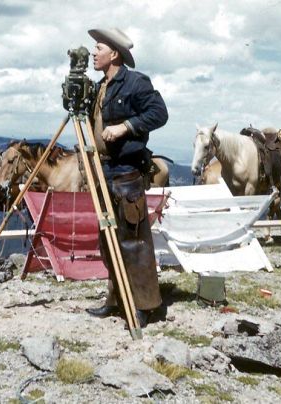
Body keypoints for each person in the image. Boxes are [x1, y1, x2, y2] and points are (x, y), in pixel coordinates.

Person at [85, 27, 168, 328]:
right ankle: (115, 299)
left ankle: (145, 305)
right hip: (103, 171)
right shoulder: (100, 87)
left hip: (126, 172)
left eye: (98, 48)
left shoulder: (135, 82)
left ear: (114, 54)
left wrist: (126, 127)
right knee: (108, 240)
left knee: (133, 241)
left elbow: (159, 113)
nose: (93, 53)